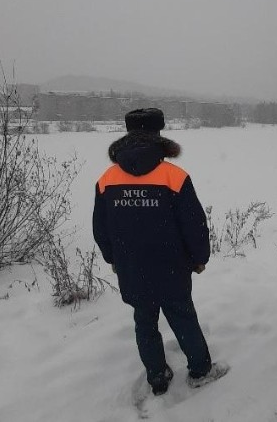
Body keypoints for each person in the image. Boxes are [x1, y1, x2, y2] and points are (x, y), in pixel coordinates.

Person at [92, 108, 228, 395]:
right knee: (182, 316)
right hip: (171, 265)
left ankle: (157, 376)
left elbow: (100, 228)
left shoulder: (107, 178)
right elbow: (193, 224)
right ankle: (201, 370)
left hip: (131, 267)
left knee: (144, 320)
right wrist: (199, 258)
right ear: (159, 133)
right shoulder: (173, 176)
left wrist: (113, 259)